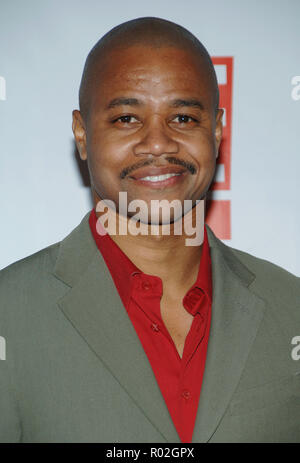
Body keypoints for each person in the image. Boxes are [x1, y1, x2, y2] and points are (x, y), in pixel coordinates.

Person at [0, 17, 299, 444]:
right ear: (82, 135)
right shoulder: (8, 313)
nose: (158, 143)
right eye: (126, 118)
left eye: (182, 117)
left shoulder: (290, 308)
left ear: (215, 131)